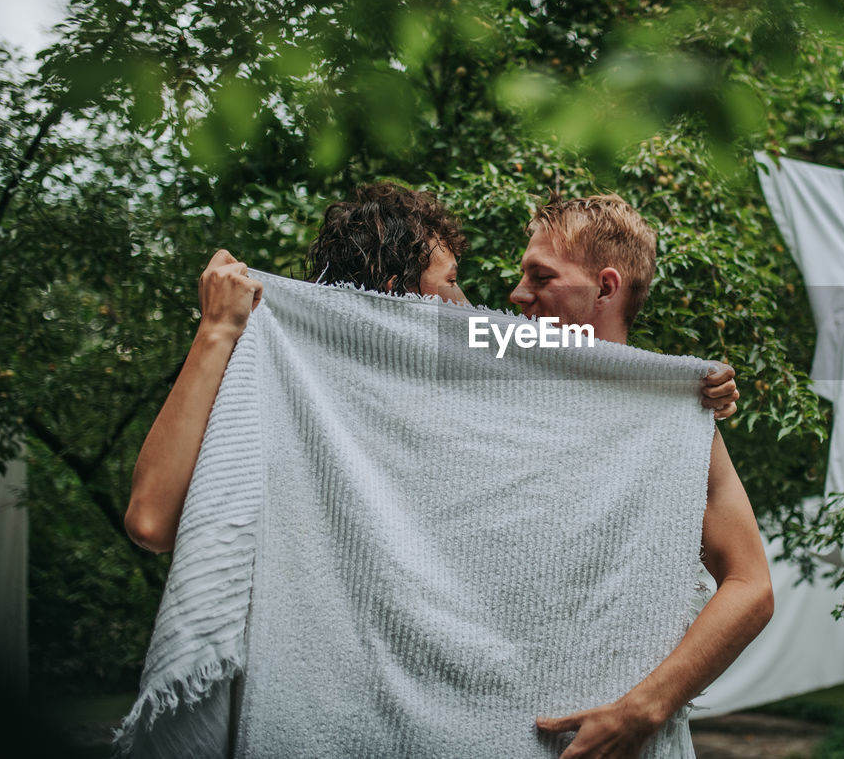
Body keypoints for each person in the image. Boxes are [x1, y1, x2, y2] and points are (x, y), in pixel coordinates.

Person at [125, 180, 739, 552]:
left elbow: (576, 363)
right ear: (403, 294)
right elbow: (152, 520)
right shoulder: (286, 383)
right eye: (452, 282)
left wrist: (683, 391)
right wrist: (217, 331)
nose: (482, 305)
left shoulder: (480, 366)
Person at [510, 193, 772, 758]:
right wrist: (267, 305)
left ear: (605, 288)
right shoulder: (494, 368)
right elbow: (408, 330)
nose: (516, 294)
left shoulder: (678, 418)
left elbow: (751, 587)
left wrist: (644, 710)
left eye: (540, 276)